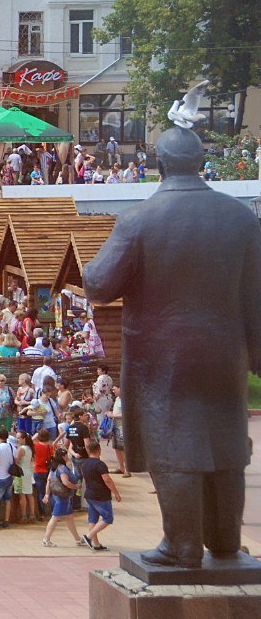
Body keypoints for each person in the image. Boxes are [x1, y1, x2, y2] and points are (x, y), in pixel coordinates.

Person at [83, 123, 261, 569]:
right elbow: (257, 294)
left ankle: (181, 546)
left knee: (172, 441)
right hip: (226, 353)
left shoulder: (139, 220)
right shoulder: (242, 218)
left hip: (161, 358)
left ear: (157, 164)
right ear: (202, 162)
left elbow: (99, 285)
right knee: (226, 441)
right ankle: (224, 541)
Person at [79, 439, 122, 551]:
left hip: (89, 494)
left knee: (92, 519)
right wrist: (116, 492)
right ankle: (88, 537)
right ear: (99, 450)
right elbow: (107, 479)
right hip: (101, 495)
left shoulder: (85, 463)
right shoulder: (100, 464)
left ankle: (96, 544)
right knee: (108, 518)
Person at [41, 447, 85, 548]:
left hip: (58, 495)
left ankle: (77, 539)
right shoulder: (62, 468)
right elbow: (66, 482)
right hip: (63, 497)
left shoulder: (54, 467)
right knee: (55, 517)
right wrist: (76, 487)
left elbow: (49, 480)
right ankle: (46, 539)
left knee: (69, 517)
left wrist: (47, 494)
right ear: (64, 456)